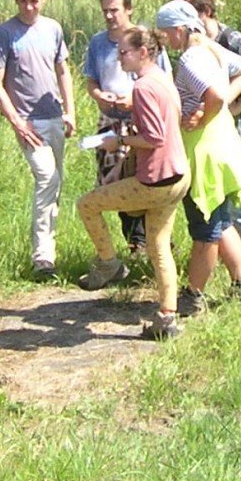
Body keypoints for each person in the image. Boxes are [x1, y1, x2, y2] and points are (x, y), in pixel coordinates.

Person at [75, 26, 192, 340]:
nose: (119, 57)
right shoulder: (163, 79)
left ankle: (108, 263)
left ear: (143, 52)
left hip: (155, 181)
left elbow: (153, 138)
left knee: (87, 205)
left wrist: (121, 140)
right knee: (158, 246)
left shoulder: (143, 88)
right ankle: (167, 319)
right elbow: (169, 120)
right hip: (179, 174)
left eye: (124, 52)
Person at [154, 0, 241, 313]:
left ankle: (193, 295)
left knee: (205, 230)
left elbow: (214, 94)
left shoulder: (190, 58)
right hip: (224, 145)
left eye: (168, 33)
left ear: (182, 28)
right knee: (222, 221)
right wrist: (220, 108)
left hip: (204, 152)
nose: (166, 40)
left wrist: (204, 115)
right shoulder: (212, 49)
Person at [0, 0, 75, 282]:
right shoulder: (6, 33)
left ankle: (51, 246)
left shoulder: (53, 29)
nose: (29, 7)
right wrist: (16, 121)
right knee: (46, 178)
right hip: (27, 120)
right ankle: (42, 258)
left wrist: (70, 111)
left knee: (56, 183)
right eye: (23, 1)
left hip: (54, 115)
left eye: (34, 1)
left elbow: (63, 71)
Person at [179, 0, 241, 275]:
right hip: (212, 129)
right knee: (220, 206)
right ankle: (229, 266)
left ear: (205, 13)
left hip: (233, 128)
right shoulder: (195, 47)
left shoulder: (229, 39)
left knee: (238, 201)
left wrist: (232, 104)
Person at [82, 0, 147, 254]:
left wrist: (134, 101)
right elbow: (91, 80)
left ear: (128, 9)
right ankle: (133, 244)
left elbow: (161, 78)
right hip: (110, 119)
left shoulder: (144, 39)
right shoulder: (98, 43)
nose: (109, 16)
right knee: (115, 183)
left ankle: (148, 241)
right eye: (105, 11)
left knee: (143, 179)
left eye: (114, 10)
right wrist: (99, 95)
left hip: (141, 119)